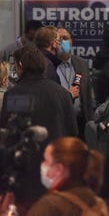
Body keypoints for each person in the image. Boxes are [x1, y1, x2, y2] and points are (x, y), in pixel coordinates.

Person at [0, 44, 77, 212]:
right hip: (57, 171)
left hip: (26, 173)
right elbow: (73, 132)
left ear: (20, 66)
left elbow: (9, 135)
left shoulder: (15, 94)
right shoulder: (62, 94)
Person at [27, 137, 108, 216]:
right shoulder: (97, 202)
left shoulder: (49, 206)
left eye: (45, 160)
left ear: (59, 169)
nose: (42, 165)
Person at [56, 28, 95, 140]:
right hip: (60, 122)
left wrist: (90, 120)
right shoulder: (50, 66)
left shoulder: (81, 63)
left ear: (71, 41)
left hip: (80, 122)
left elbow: (87, 94)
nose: (63, 42)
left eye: (66, 38)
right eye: (59, 39)